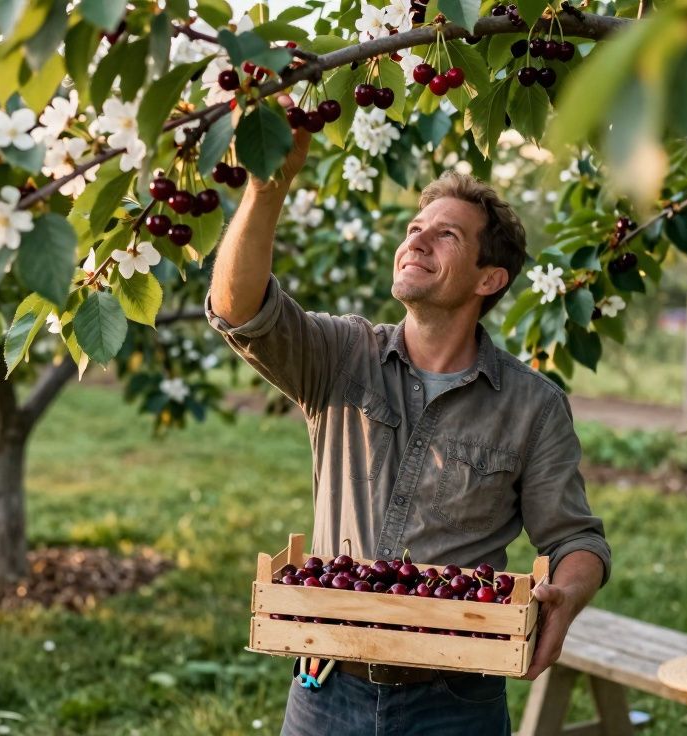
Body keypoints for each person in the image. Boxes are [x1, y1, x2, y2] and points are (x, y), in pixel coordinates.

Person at [204, 123, 610, 735]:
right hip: (327, 688)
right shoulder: (342, 356)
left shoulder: (533, 406)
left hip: (456, 699)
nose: (417, 242)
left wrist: (568, 597)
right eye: (414, 230)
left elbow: (577, 539)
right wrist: (267, 188)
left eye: (445, 235)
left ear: (488, 278)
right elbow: (241, 311)